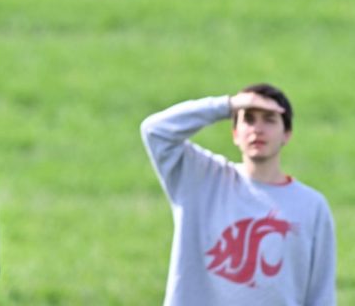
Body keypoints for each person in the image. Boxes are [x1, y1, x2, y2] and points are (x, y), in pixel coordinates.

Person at [141, 84, 337, 305]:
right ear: (235, 133)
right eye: (249, 119)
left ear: (287, 134)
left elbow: (321, 295)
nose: (258, 129)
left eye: (269, 119)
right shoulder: (200, 178)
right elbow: (154, 130)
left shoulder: (311, 206)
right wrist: (227, 105)